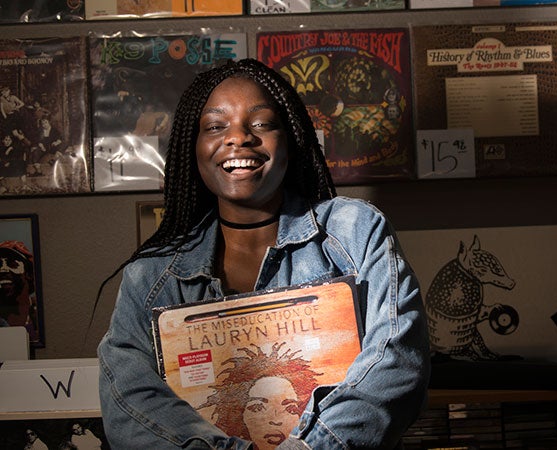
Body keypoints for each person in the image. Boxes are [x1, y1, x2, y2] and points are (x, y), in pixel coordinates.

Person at [96, 58, 430, 449]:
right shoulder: (150, 277)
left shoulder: (355, 231)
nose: (238, 138)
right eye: (215, 126)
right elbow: (130, 403)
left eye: (261, 124)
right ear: (194, 147)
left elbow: (397, 359)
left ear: (291, 139)